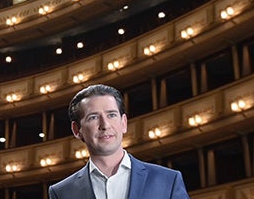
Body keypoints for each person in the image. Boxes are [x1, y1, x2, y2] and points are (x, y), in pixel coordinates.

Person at [49, 84, 189, 199]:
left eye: (111, 115)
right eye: (93, 117)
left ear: (124, 123)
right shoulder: (61, 193)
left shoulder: (168, 180)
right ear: (76, 130)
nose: (105, 125)